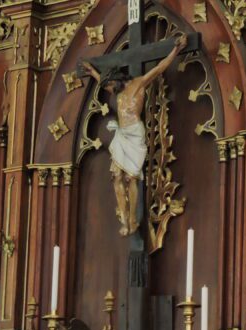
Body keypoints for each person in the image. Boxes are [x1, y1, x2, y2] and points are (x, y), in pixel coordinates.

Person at [80, 34, 188, 235]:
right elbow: (102, 81)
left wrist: (176, 50)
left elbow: (159, 68)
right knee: (116, 177)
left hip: (135, 134)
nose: (109, 90)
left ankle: (132, 219)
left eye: (110, 86)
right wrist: (93, 71)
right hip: (121, 135)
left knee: (131, 178)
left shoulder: (138, 84)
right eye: (108, 87)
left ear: (116, 80)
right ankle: (125, 219)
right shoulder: (117, 92)